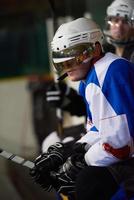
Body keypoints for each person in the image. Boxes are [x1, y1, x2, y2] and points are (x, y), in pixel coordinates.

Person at [30, 17, 134, 200]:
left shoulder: (109, 72)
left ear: (95, 48)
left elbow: (120, 145)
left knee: (88, 182)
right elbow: (99, 129)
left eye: (74, 56)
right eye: (62, 60)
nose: (67, 66)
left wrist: (81, 162)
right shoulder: (90, 80)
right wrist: (72, 149)